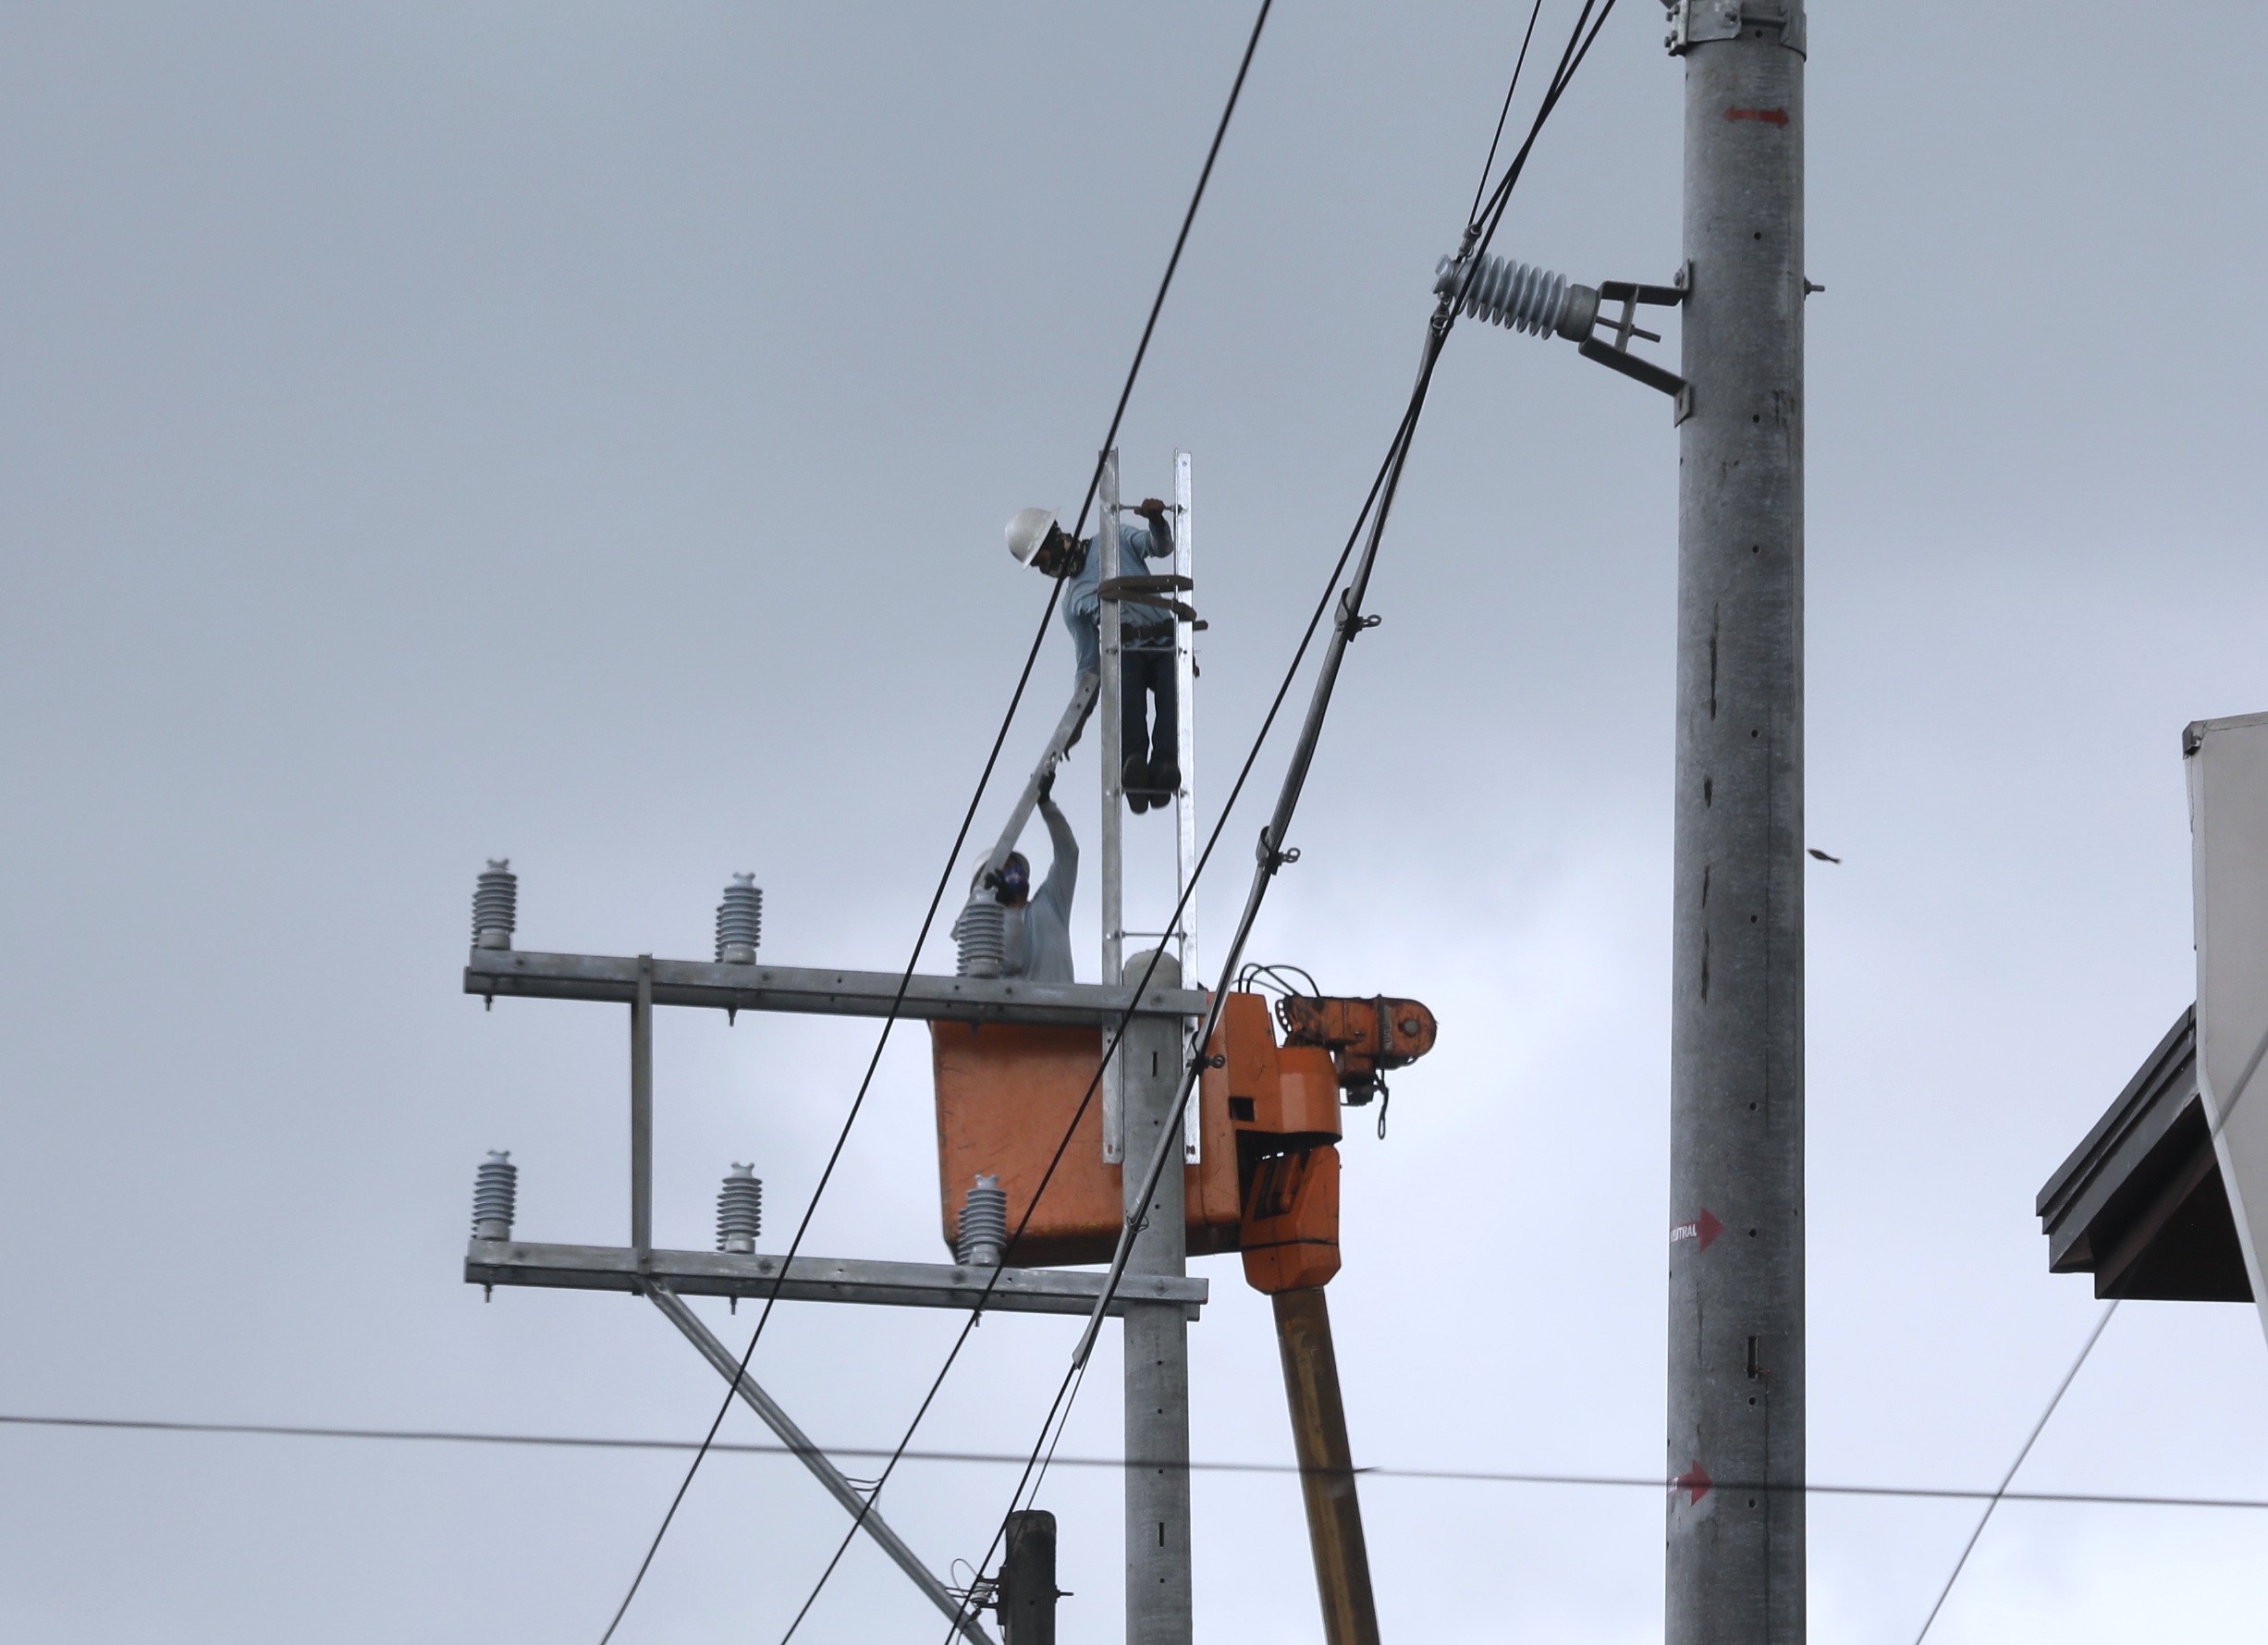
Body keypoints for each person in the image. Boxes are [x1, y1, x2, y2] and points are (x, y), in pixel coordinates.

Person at [1006, 499, 1180, 813]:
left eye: (1041, 558)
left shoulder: (1112, 540)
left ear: (1052, 539)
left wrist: (1156, 521)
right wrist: (1078, 717)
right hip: (1127, 653)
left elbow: (1160, 546)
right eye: (1037, 566)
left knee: (1170, 700)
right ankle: (1135, 765)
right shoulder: (1073, 602)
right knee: (1127, 698)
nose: (1044, 568)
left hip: (1165, 641)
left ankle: (1166, 764)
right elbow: (1089, 665)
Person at [967, 770, 1078, 983]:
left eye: (1015, 865)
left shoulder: (1051, 904)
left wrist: (1046, 804)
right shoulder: (983, 933)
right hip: (1016, 1014)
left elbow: (1068, 852)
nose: (1014, 872)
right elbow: (1010, 962)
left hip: (1062, 1012)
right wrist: (1008, 910)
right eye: (1005, 868)